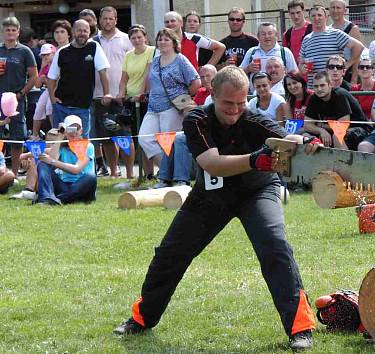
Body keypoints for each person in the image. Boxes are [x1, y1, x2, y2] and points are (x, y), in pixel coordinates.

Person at [113, 66, 318, 352]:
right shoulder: (197, 119)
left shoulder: (254, 118)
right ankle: (142, 317)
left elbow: (285, 138)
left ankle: (300, 328)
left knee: (275, 246)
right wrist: (254, 160)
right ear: (212, 96)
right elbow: (212, 163)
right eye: (227, 104)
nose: (235, 110)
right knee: (171, 253)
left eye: (240, 103)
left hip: (257, 191)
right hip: (211, 195)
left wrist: (306, 141)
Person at [138, 28, 200, 184]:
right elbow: (150, 82)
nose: (162, 42)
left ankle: (166, 177)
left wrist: (183, 98)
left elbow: (195, 82)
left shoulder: (180, 60)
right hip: (153, 108)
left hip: (173, 108)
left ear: (174, 42)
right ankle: (169, 171)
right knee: (144, 139)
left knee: (169, 143)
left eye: (166, 39)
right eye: (160, 39)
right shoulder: (154, 62)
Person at [47, 19, 111, 138]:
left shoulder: (94, 47)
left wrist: (107, 93)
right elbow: (51, 78)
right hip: (61, 107)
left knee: (81, 143)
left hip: (83, 107)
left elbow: (103, 71)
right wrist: (52, 97)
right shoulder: (62, 52)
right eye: (79, 30)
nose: (82, 33)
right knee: (58, 141)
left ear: (89, 33)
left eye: (85, 31)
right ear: (73, 32)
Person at [92, 6, 134, 178]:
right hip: (99, 95)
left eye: (111, 19)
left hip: (120, 95)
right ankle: (114, 172)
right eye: (104, 18)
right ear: (99, 20)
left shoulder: (126, 39)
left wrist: (124, 92)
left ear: (116, 20)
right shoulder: (93, 41)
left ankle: (130, 173)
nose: (107, 21)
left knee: (124, 136)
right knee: (107, 137)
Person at [117, 24, 157, 179]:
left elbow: (148, 74)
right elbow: (124, 79)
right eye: (133, 38)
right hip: (131, 100)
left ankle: (150, 173)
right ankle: (143, 174)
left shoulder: (152, 51)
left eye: (139, 37)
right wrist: (121, 94)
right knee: (136, 137)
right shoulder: (128, 55)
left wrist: (142, 93)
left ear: (145, 38)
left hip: (145, 99)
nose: (136, 40)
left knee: (146, 136)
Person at [0, 17, 38, 177]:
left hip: (16, 100)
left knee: (16, 138)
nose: (10, 33)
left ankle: (14, 174)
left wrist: (21, 94)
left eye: (13, 30)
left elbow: (34, 76)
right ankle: (1, 171)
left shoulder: (24, 51)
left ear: (18, 32)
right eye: (7, 30)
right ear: (3, 32)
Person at [35, 115, 97, 205]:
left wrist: (52, 161)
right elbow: (51, 159)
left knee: (91, 177)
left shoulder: (88, 146)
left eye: (77, 128)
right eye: (70, 129)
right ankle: (46, 197)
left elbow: (76, 169)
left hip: (82, 186)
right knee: (43, 164)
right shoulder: (62, 145)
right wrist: (60, 136)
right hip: (65, 184)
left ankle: (54, 199)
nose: (73, 132)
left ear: (81, 131)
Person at [299, 5, 364, 88]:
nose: (316, 18)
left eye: (319, 15)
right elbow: (300, 62)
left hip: (333, 87)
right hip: (314, 87)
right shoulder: (306, 39)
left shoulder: (335, 33)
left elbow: (359, 47)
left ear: (326, 17)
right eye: (313, 16)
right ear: (309, 18)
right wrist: (302, 69)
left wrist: (346, 65)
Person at [304, 71, 369, 150]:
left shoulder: (340, 94)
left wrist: (323, 127)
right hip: (335, 129)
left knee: (337, 135)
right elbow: (307, 125)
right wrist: (321, 131)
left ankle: (343, 162)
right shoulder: (314, 98)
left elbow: (343, 124)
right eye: (316, 86)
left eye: (322, 85)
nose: (319, 89)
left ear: (330, 85)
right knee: (306, 136)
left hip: (361, 129)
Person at [240, 22, 297, 91]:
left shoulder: (284, 52)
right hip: (256, 95)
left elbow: (294, 74)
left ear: (276, 35)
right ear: (258, 36)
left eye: (270, 33)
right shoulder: (252, 52)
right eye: (263, 34)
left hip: (281, 94)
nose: (267, 36)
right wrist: (248, 69)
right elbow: (239, 74)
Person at [330, 0, 363, 83]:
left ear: (345, 10)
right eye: (333, 8)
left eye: (338, 8)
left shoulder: (352, 28)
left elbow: (357, 54)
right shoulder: (329, 29)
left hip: (348, 73)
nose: (335, 10)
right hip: (333, 71)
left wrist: (354, 78)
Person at [31, 43, 56, 141]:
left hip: (56, 90)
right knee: (39, 108)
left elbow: (54, 82)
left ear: (54, 53)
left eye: (47, 54)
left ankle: (55, 133)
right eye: (43, 55)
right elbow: (37, 85)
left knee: (50, 108)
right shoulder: (45, 67)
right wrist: (41, 68)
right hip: (47, 89)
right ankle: (35, 135)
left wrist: (45, 80)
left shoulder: (57, 64)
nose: (45, 57)